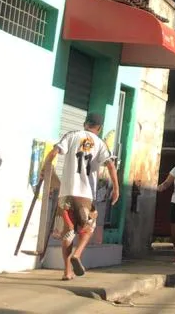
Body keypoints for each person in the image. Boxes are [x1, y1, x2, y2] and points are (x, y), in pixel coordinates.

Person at [38, 113, 119, 281]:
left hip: (66, 194)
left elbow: (53, 153)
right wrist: (116, 189)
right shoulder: (100, 143)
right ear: (99, 128)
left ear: (84, 123)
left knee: (67, 234)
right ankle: (78, 254)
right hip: (86, 195)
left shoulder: (71, 135)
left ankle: (67, 272)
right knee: (88, 228)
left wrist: (44, 170)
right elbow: (110, 165)